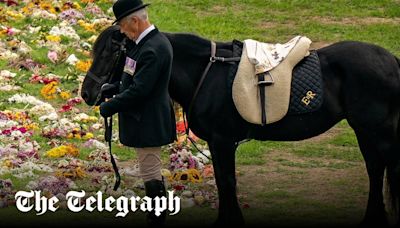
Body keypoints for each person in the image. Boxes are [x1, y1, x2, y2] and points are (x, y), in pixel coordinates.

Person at [99, 0, 176, 226]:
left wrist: (109, 107)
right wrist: (112, 88)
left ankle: (157, 217)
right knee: (148, 168)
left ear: (135, 20)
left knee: (150, 170)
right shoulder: (143, 44)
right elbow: (133, 78)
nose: (122, 31)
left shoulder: (153, 49)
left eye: (122, 26)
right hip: (143, 118)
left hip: (149, 120)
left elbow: (140, 91)